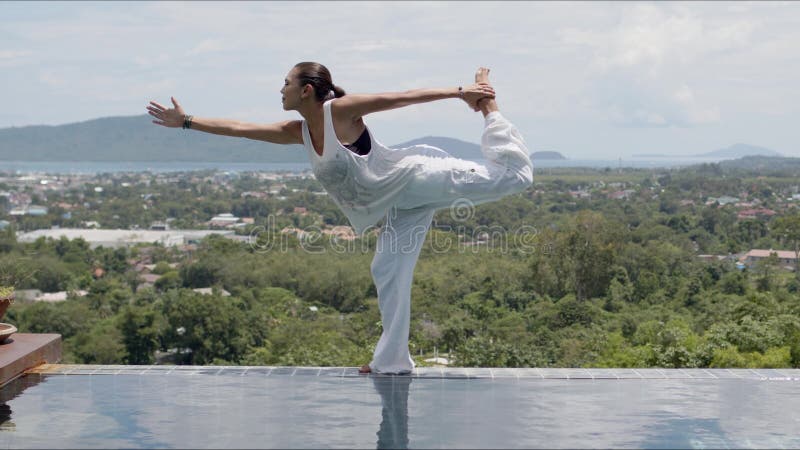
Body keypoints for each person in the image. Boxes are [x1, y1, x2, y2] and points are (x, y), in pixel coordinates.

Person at [147, 62, 533, 374]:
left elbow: (398, 98)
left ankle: (490, 110)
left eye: (285, 83)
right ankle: (392, 361)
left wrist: (461, 93)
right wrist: (186, 121)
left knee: (516, 177)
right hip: (401, 203)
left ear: (306, 90)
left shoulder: (338, 113)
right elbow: (241, 129)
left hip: (419, 178)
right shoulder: (299, 131)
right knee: (386, 269)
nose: (279, 90)